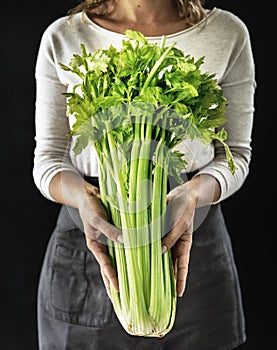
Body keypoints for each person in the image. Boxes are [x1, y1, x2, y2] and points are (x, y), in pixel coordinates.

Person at [33, 0, 256, 349]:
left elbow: (236, 156)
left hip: (194, 233)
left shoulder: (226, 33)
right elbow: (48, 160)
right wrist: (82, 198)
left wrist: (194, 194)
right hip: (93, 234)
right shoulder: (65, 36)